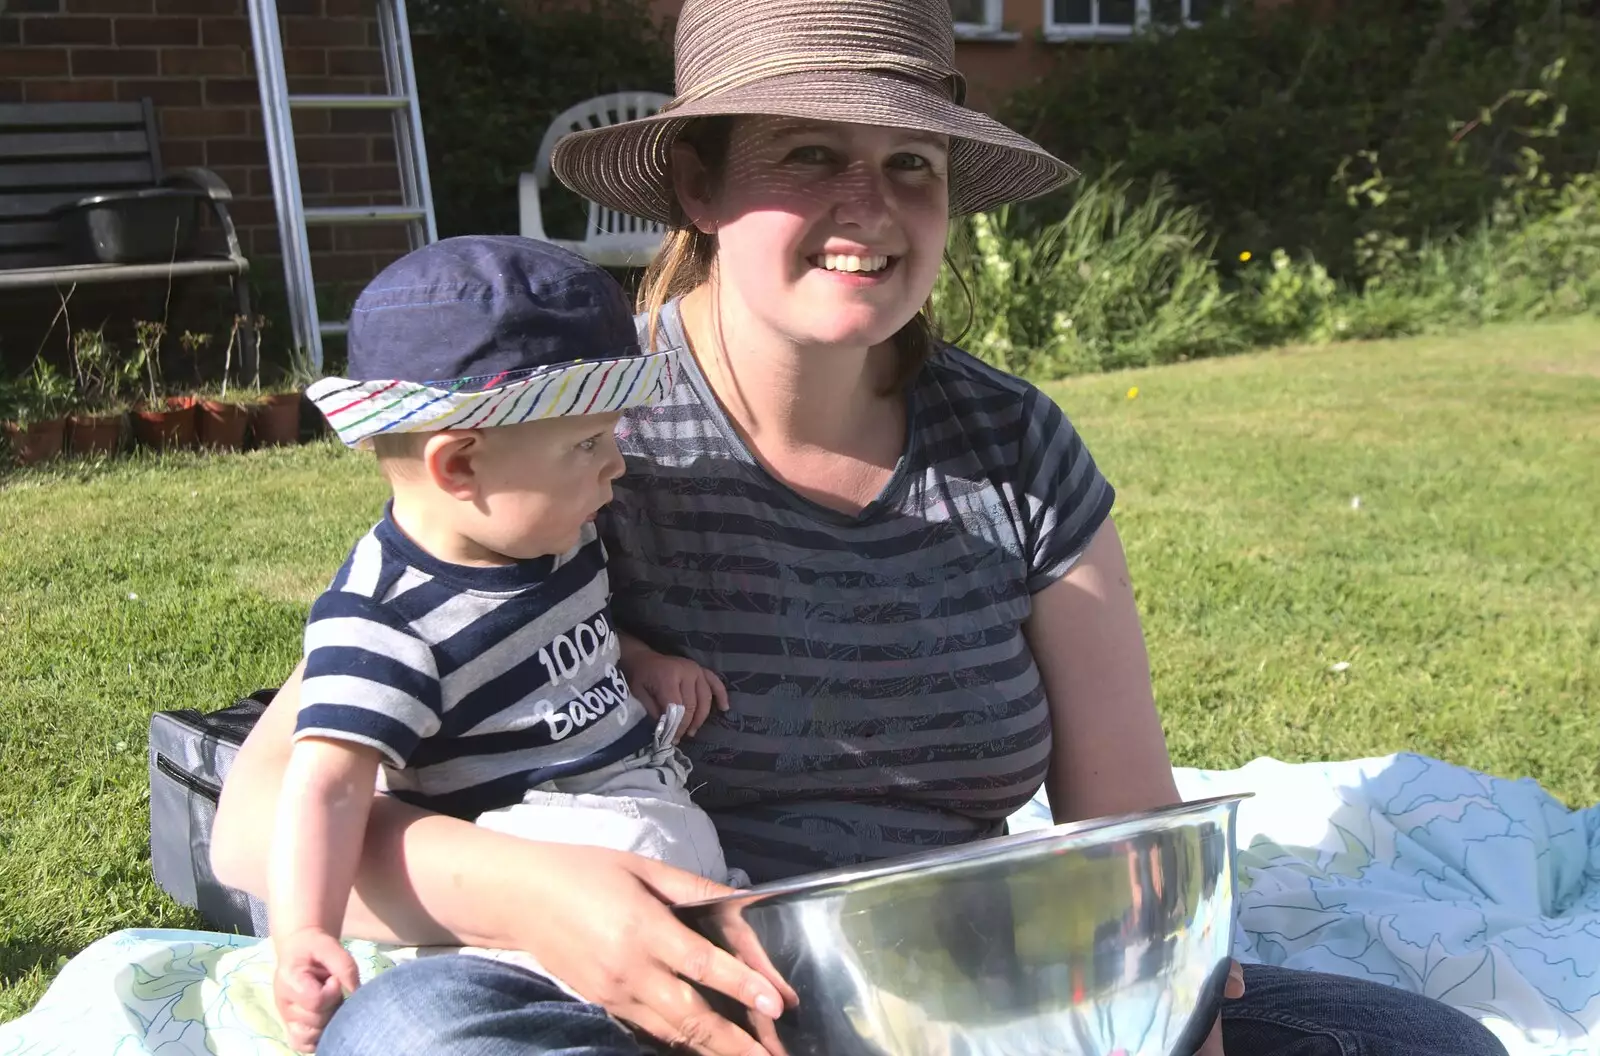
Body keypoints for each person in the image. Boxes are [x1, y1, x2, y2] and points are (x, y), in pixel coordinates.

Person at [212, 1, 1513, 1054]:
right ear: (698, 186)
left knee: (1419, 1045)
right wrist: (540, 895)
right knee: (420, 1040)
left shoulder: (1013, 449)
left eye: (910, 164)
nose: (871, 207)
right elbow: (255, 819)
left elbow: (1125, 830)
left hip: (947, 996)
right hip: (644, 999)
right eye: (810, 155)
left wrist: (1165, 975)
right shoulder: (573, 434)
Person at [267, 235, 743, 1052]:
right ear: (459, 467)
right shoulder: (386, 623)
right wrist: (302, 931)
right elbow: (327, 788)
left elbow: (575, 628)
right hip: (533, 948)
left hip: (677, 888)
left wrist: (641, 661)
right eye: (587, 444)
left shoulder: (552, 540)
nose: (616, 466)